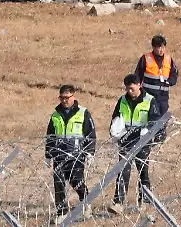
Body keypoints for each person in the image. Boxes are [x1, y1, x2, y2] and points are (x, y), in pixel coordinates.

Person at [109, 74, 162, 214]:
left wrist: (148, 131)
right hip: (125, 141)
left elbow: (155, 120)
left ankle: (144, 201)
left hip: (142, 141)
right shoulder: (122, 100)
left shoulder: (149, 100)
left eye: (132, 88)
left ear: (139, 85)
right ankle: (119, 202)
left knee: (142, 171)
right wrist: (114, 129)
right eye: (127, 89)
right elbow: (115, 117)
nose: (129, 92)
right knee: (123, 171)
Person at [45, 85, 97, 222]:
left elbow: (90, 134)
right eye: (61, 98)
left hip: (76, 155)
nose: (64, 101)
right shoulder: (55, 115)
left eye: (67, 98)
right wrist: (48, 154)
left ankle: (86, 203)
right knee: (59, 183)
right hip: (59, 155)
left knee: (77, 181)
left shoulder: (83, 113)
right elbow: (50, 135)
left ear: (73, 96)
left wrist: (90, 152)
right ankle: (61, 212)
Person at [134, 34, 178, 117]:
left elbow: (174, 73)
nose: (161, 50)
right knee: (150, 120)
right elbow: (137, 76)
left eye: (163, 47)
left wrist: (170, 81)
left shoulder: (168, 59)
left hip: (163, 97)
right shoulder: (145, 58)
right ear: (153, 47)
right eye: (159, 47)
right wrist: (137, 91)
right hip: (149, 96)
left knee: (162, 121)